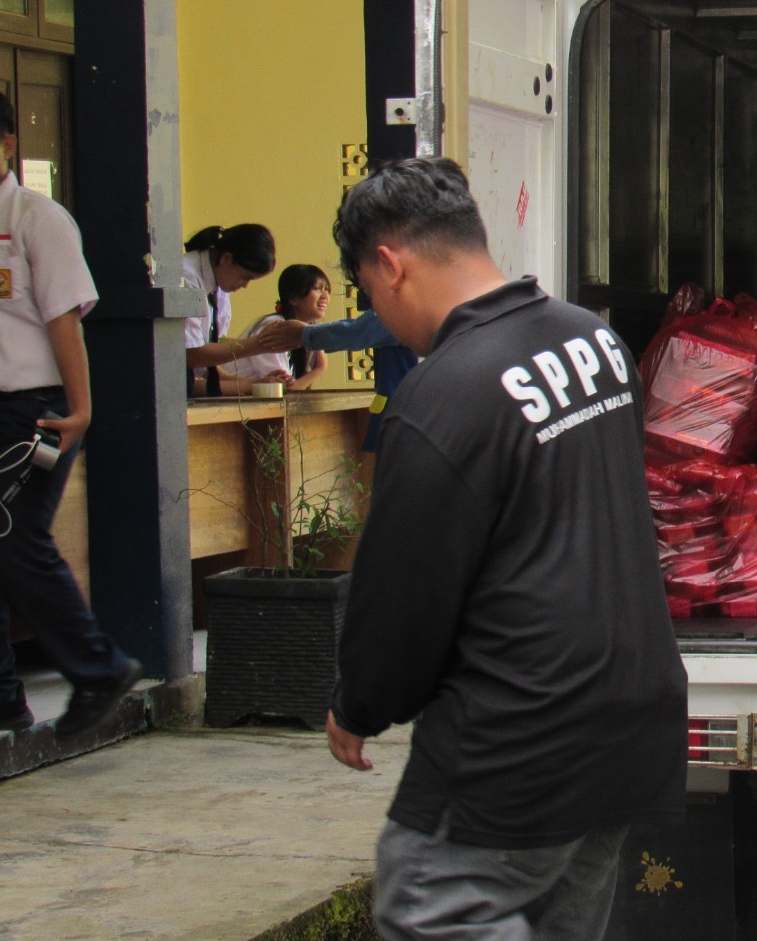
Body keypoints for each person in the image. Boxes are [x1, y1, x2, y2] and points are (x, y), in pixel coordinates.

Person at [323, 157, 688, 941]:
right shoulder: (594, 341)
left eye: (367, 290)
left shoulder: (442, 394)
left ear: (390, 263)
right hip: (629, 719)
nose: (378, 312)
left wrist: (361, 702)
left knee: (427, 906)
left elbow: (405, 593)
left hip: (522, 735)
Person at [0, 87, 142, 738]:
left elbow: (64, 319)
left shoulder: (37, 218)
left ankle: (99, 667)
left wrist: (81, 408)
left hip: (37, 410)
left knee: (9, 534)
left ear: (7, 144)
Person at [253, 306, 414, 451]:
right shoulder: (273, 323)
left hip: (403, 420)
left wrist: (303, 334)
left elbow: (356, 332)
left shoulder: (402, 309)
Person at [182, 222, 283, 396]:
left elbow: (211, 351)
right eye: (246, 277)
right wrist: (260, 343)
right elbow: (192, 354)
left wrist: (245, 382)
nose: (245, 286)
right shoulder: (186, 277)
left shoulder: (219, 284)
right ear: (226, 259)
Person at [223, 264, 331, 391]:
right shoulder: (275, 326)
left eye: (327, 290)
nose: (325, 296)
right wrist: (320, 368)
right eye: (317, 288)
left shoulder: (308, 330)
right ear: (293, 298)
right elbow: (282, 387)